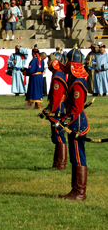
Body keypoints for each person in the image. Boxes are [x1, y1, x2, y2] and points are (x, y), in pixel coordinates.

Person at [57, 49, 90, 200]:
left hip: (76, 124)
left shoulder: (77, 82)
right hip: (75, 122)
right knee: (75, 156)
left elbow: (76, 108)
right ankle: (76, 190)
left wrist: (65, 121)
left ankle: (79, 192)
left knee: (77, 156)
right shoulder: (75, 78)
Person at [40, 57, 68, 171]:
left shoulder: (58, 76)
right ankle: (57, 163)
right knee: (57, 135)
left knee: (59, 134)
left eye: (49, 61)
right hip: (59, 108)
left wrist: (48, 110)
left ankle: (60, 164)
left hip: (58, 109)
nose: (48, 63)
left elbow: (56, 98)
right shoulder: (59, 74)